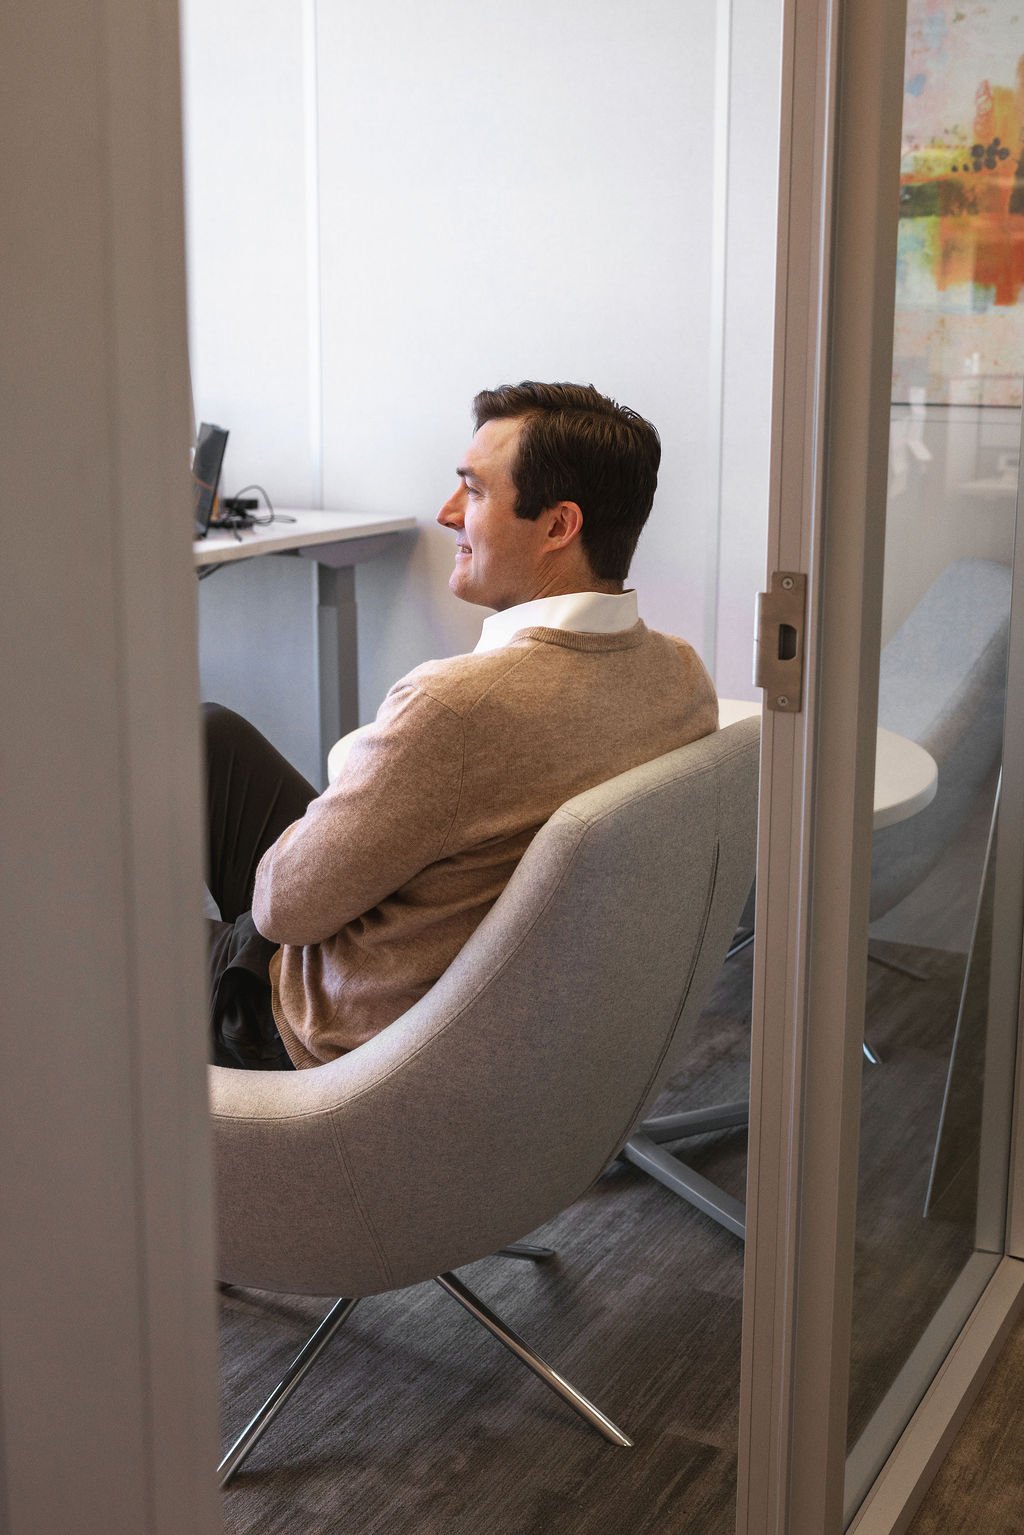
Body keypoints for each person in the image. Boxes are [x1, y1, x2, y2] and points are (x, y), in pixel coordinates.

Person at [205, 381, 718, 1071]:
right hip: (474, 968)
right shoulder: (682, 678)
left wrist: (345, 802)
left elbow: (280, 911)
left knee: (88, 942)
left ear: (559, 526)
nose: (447, 514)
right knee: (209, 739)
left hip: (310, 1018)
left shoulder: (458, 708)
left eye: (473, 492)